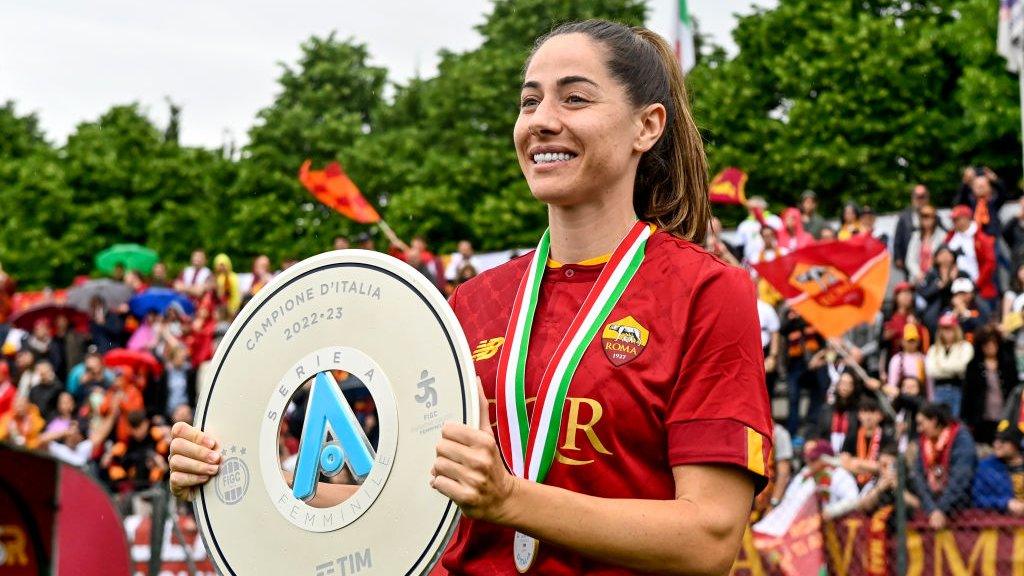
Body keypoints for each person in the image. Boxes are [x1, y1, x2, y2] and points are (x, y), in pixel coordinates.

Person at [169, 20, 773, 574]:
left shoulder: (706, 292)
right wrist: (240, 476)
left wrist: (512, 500)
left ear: (648, 125)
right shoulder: (471, 302)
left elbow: (710, 538)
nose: (541, 119)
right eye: (529, 100)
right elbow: (404, 505)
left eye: (575, 97)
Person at [910, 402, 977, 529]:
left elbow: (960, 478)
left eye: (921, 423)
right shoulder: (923, 441)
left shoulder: (961, 438)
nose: (919, 429)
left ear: (934, 421)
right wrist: (932, 509)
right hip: (932, 506)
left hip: (958, 505)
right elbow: (918, 477)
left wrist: (941, 509)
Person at [964, 325, 1018, 444]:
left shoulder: (1007, 364)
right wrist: (968, 419)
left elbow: (1014, 389)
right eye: (986, 344)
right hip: (982, 417)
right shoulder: (973, 367)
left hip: (1006, 414)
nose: (990, 347)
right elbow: (968, 394)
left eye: (993, 343)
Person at [945, 205, 998, 306]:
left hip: (977, 284)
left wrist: (977, 283)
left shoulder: (981, 238)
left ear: (967, 218)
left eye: (957, 219)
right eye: (953, 219)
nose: (954, 222)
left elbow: (990, 262)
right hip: (954, 284)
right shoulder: (951, 236)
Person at [926, 312, 973, 414]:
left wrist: (941, 366)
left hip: (958, 389)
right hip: (939, 390)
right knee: (939, 421)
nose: (947, 332)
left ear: (956, 329)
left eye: (950, 328)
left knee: (956, 421)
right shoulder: (934, 349)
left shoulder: (965, 346)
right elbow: (931, 371)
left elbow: (963, 367)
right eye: (944, 328)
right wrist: (953, 369)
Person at [972, 421, 1024, 515]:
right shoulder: (986, 467)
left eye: (1003, 441)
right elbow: (977, 498)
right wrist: (1006, 503)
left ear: (1015, 444)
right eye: (996, 440)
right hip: (999, 523)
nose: (997, 444)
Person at [840, 397, 892, 488]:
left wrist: (858, 463)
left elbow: (883, 467)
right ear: (859, 415)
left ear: (880, 416)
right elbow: (844, 462)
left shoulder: (887, 438)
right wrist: (870, 467)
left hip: (876, 483)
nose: (868, 416)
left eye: (872, 412)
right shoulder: (852, 436)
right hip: (852, 482)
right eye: (864, 411)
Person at [894, 184, 931, 278]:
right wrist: (898, 257)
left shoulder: (933, 214)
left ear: (927, 198)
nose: (920, 200)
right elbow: (898, 238)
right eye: (917, 197)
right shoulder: (904, 216)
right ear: (912, 198)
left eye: (922, 197)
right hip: (909, 257)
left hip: (928, 256)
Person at [905, 204, 944, 285]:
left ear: (935, 218)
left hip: (936, 280)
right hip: (917, 280)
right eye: (924, 216)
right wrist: (918, 274)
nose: (927, 220)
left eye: (930, 216)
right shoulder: (916, 236)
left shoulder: (942, 236)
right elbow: (910, 260)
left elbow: (943, 260)